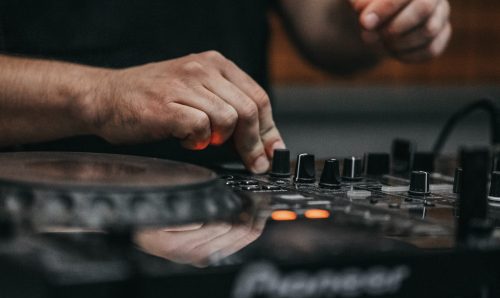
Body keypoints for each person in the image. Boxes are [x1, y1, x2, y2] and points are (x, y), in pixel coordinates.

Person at [0, 0, 451, 173]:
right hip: (35, 211)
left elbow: (326, 29)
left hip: (226, 203)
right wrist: (101, 95)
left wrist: (385, 17)